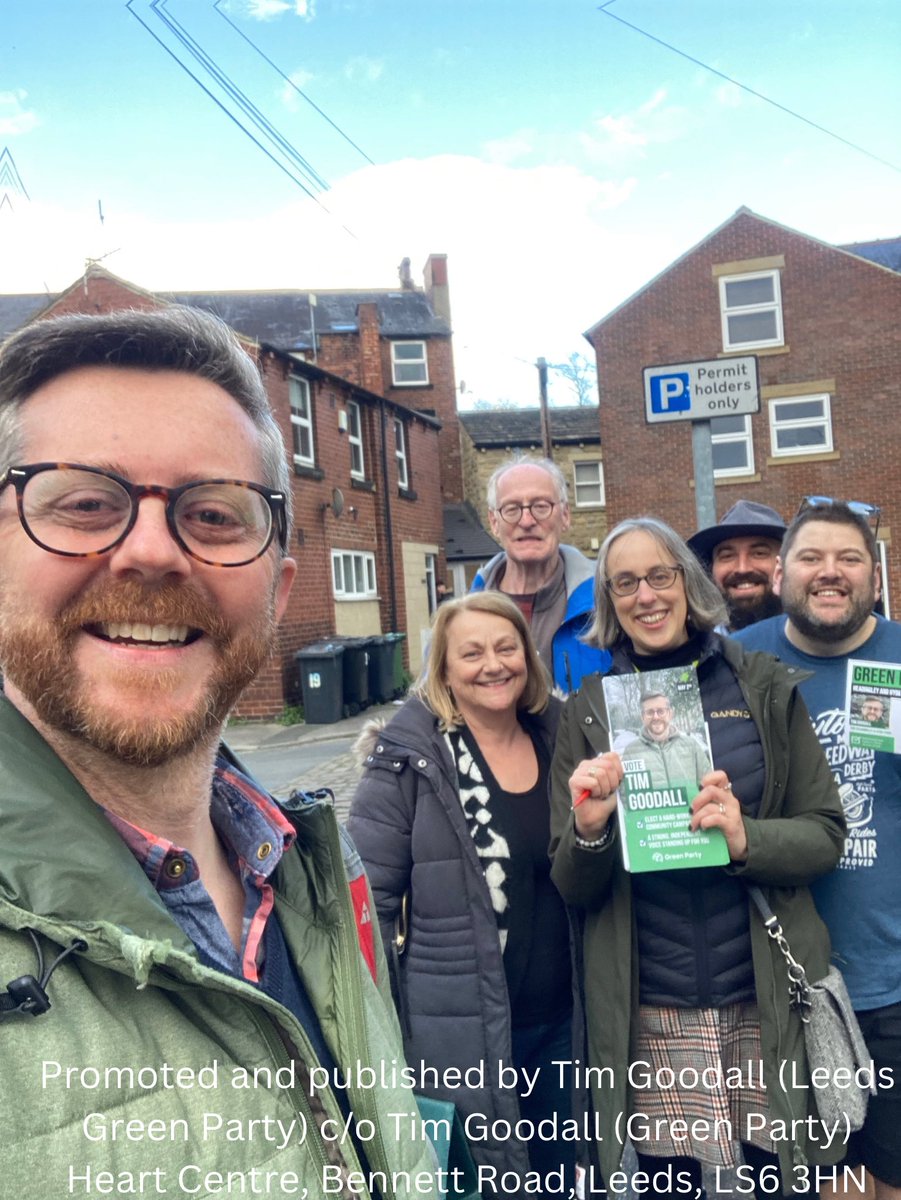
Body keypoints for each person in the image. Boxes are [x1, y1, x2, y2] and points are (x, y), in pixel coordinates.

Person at [0, 307, 437, 1196]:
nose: (152, 552)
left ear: (276, 591)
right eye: (83, 502)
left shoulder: (315, 865)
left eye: (213, 514)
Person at [548, 516, 846, 1197]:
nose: (645, 595)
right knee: (665, 1186)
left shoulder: (763, 687)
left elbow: (824, 834)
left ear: (687, 583)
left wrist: (746, 839)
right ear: (609, 603)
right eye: (624, 583)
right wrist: (592, 828)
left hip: (760, 995)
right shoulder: (588, 712)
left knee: (778, 1181)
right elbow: (571, 882)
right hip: (653, 1004)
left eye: (659, 575)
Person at [347, 591, 574, 1192]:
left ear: (528, 656)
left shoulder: (563, 740)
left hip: (564, 1019)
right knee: (489, 1182)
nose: (493, 664)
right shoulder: (406, 762)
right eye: (470, 653)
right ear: (444, 669)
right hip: (461, 1028)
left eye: (507, 648)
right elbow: (365, 905)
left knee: (560, 1174)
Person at [735, 498, 901, 1200]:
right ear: (780, 574)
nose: (828, 573)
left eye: (847, 559)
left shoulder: (895, 658)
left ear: (872, 573)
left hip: (889, 981)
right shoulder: (738, 664)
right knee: (810, 1184)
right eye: (809, 557)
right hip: (779, 983)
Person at [471, 455, 610, 692]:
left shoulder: (609, 600)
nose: (526, 521)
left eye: (541, 506)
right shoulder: (464, 615)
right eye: (512, 509)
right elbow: (429, 699)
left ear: (565, 515)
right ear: (494, 522)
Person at [687, 499, 786, 631]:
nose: (742, 569)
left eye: (759, 553)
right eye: (727, 556)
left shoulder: (819, 645)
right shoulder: (695, 647)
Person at [620, 690, 711, 791]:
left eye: (661, 711)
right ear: (642, 717)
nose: (656, 717)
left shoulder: (691, 745)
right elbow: (626, 794)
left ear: (670, 713)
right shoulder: (631, 751)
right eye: (650, 712)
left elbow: (709, 784)